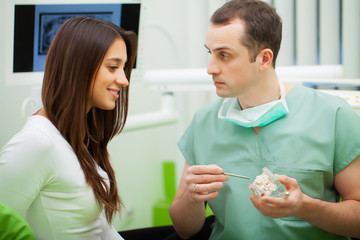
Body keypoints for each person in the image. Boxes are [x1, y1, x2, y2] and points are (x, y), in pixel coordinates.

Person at [169, 0, 360, 239]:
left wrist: (305, 207)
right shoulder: (204, 121)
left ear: (264, 59)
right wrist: (191, 197)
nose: (210, 68)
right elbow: (184, 230)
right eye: (210, 53)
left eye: (224, 55)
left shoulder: (333, 115)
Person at [0, 16, 137, 239]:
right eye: (113, 67)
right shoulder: (35, 142)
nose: (124, 79)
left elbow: (99, 226)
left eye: (124, 68)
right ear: (79, 66)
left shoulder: (75, 136)